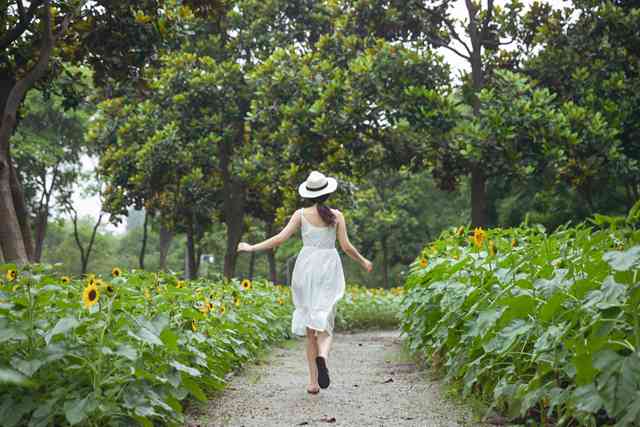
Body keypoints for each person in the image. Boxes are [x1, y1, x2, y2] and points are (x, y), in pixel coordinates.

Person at [237, 170, 373, 394]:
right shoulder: (337, 216)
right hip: (328, 266)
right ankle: (323, 356)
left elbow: (279, 239)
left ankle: (312, 383)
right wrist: (363, 261)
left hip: (306, 267)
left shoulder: (300, 214)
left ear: (308, 194)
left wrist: (251, 247)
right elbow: (346, 247)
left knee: (311, 329)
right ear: (328, 193)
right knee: (326, 325)